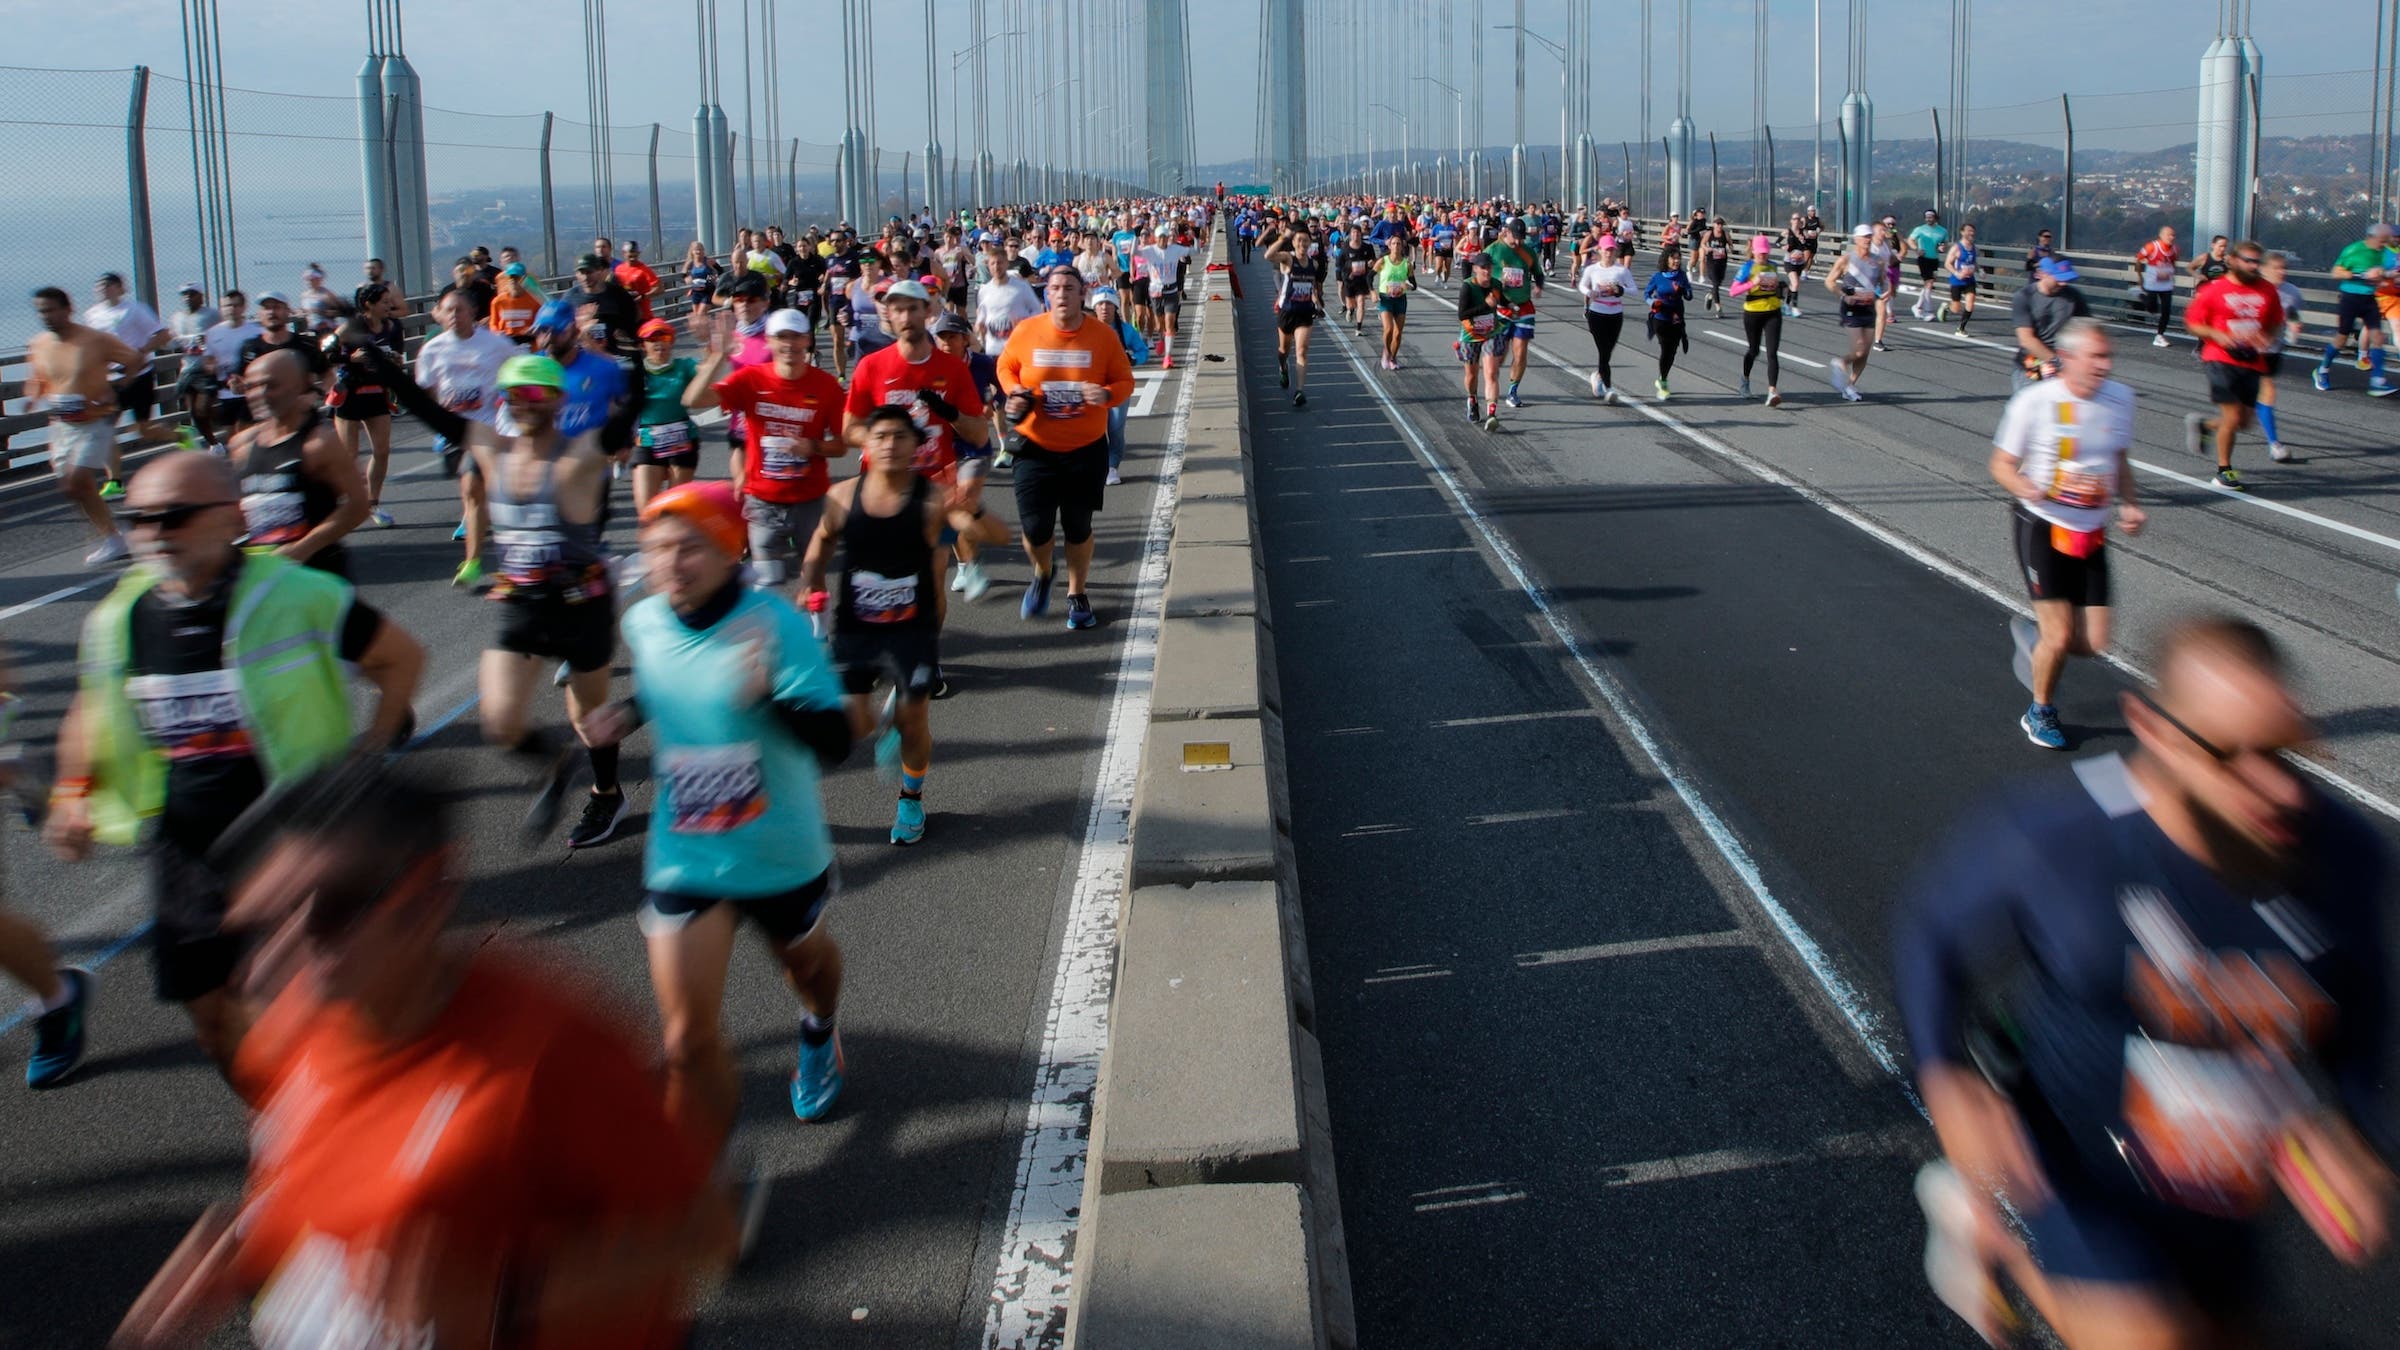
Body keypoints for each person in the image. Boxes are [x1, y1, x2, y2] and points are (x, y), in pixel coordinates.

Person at [109, 761, 740, 1349]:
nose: (282, 957)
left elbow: (705, 1232)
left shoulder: (551, 1052)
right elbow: (303, 1167)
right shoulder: (289, 1032)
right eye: (268, 920)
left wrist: (502, 1301)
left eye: (335, 909)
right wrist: (249, 1246)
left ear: (429, 895)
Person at [1895, 614, 2393, 1350]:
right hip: (2071, 1153)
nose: (2276, 789)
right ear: (2155, 733)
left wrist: (2362, 1138)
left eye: (2287, 753)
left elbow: (2364, 1005)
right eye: (2230, 756)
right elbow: (1932, 933)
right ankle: (1992, 1239)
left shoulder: (2347, 858)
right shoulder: (2059, 839)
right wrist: (1946, 1078)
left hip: (2221, 1183)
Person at [44, 450, 422, 1074]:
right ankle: (281, 1137)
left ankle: (341, 1137)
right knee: (215, 1020)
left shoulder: (302, 595)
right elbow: (93, 706)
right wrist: (72, 791)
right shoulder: (120, 617)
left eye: (174, 517)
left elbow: (401, 661)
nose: (153, 534)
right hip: (183, 848)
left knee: (318, 1015)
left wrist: (371, 751)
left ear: (230, 517)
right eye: (138, 519)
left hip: (294, 837)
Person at [570, 481, 859, 1139]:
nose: (671, 562)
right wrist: (627, 712)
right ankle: (705, 1186)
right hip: (687, 853)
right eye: (657, 547)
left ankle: (820, 1031)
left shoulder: (775, 625)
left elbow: (837, 741)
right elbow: (663, 680)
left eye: (690, 547)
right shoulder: (642, 620)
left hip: (779, 851)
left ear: (731, 550)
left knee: (808, 971)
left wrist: (769, 697)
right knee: (685, 1041)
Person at [376, 352, 633, 849]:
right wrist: (382, 366)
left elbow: (620, 424)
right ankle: (557, 763)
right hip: (522, 603)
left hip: (584, 604)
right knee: (500, 721)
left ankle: (607, 793)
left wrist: (635, 375)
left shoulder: (579, 451)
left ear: (557, 400)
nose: (523, 402)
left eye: (535, 393)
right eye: (514, 394)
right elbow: (426, 410)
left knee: (590, 718)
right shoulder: (490, 445)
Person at [805, 407, 1010, 845]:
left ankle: (910, 798)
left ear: (916, 445)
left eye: (900, 436)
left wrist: (973, 510)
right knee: (854, 726)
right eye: (880, 436)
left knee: (913, 721)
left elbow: (999, 537)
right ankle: (882, 718)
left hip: (911, 630)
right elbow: (821, 539)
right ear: (866, 443)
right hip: (856, 628)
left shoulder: (934, 499)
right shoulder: (842, 496)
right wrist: (812, 580)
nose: (890, 444)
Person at [1989, 319, 2145, 751]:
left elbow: (2120, 459)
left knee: (2092, 644)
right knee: (2059, 636)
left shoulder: (2120, 399)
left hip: (2091, 531)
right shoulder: (2035, 402)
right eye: (2095, 357)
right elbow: (2000, 465)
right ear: (2069, 358)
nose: (2104, 365)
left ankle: (2038, 643)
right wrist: (2027, 487)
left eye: (2107, 356)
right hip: (2040, 523)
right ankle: (2040, 711)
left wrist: (2130, 503)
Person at [996, 265, 1136, 629]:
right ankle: (1043, 573)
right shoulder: (1028, 331)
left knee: (1078, 526)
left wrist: (1106, 394)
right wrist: (1015, 391)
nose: (1061, 294)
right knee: (1035, 528)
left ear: (1082, 294)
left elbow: (1124, 380)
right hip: (1034, 446)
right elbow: (1005, 366)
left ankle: (1077, 592)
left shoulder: (1102, 337)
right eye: (1055, 287)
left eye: (1069, 288)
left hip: (1084, 448)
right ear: (1047, 294)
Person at [686, 307, 847, 591]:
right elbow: (693, 400)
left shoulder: (826, 386)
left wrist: (812, 446)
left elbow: (841, 446)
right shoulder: (750, 380)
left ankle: (817, 629)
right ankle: (771, 632)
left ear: (808, 341)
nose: (790, 344)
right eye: (781, 337)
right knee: (767, 580)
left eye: (797, 337)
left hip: (809, 499)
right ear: (769, 341)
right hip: (762, 500)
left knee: (813, 572)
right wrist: (718, 355)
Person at [26, 287, 142, 564]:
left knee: (77, 480)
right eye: (41, 311)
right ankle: (115, 537)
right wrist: (33, 397)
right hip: (62, 425)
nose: (46, 316)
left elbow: (135, 360)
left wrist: (116, 386)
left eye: (51, 309)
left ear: (68, 309)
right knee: (72, 488)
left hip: (95, 421)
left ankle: (122, 533)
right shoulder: (39, 343)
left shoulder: (95, 339)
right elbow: (40, 378)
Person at [415, 288, 521, 586]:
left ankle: (473, 562)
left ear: (472, 312)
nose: (453, 316)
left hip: (486, 430)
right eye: (448, 310)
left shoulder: (496, 345)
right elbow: (427, 388)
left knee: (473, 488)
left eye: (459, 310)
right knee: (472, 495)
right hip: (452, 434)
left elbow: (518, 371)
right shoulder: (433, 349)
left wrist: (509, 404)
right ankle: (489, 546)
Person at [232, 350, 370, 576]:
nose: (260, 394)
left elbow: (358, 506)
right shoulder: (241, 446)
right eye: (251, 387)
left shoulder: (319, 443)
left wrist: (302, 548)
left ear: (300, 386)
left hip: (317, 575)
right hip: (263, 575)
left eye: (270, 385)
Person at [2182, 241, 2283, 493]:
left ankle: (2206, 425)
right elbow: (2193, 323)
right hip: (2219, 358)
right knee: (2232, 416)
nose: (2253, 266)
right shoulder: (2215, 290)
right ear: (2234, 261)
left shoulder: (2267, 290)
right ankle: (2223, 471)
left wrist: (2266, 336)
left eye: (2257, 262)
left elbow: (2274, 322)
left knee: (2244, 422)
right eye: (2248, 260)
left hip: (2252, 360)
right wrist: (2217, 335)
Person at [325, 284, 405, 527]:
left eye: (389, 301)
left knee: (382, 451)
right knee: (349, 455)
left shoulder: (393, 327)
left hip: (377, 393)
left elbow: (398, 355)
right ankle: (342, 503)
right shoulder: (352, 327)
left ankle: (373, 503)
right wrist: (350, 358)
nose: (389, 306)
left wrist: (394, 360)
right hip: (350, 393)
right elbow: (326, 352)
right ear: (369, 304)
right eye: (384, 302)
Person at [85, 272, 173, 491]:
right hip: (110, 379)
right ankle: (114, 481)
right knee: (104, 429)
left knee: (143, 430)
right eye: (99, 286)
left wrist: (141, 351)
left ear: (119, 288)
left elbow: (163, 335)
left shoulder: (134, 310)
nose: (102, 289)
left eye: (108, 285)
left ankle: (180, 434)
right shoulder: (92, 315)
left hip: (139, 375)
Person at [2316, 223, 2398, 396]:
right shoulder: (2353, 250)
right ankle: (2322, 370)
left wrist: (2384, 276)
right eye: (2382, 241)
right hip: (2350, 298)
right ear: (2371, 237)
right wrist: (2361, 275)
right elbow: (2336, 272)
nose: (2384, 245)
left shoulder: (2382, 252)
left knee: (2377, 337)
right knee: (2341, 338)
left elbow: (2382, 273)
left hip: (2369, 299)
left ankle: (2377, 381)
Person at [632, 318, 701, 515]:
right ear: (643, 345)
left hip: (682, 441)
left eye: (664, 337)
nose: (659, 343)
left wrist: (709, 345)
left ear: (672, 341)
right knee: (646, 512)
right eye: (652, 339)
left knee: (675, 510)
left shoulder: (684, 366)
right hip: (647, 441)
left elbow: (708, 372)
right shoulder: (636, 372)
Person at [1089, 289, 1150, 485]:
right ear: (1094, 308)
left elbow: (1142, 351)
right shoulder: (1084, 330)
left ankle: (1112, 467)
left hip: (1118, 387)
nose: (1104, 308)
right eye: (1100, 304)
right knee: (1093, 431)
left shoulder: (1125, 330)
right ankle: (1095, 466)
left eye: (1109, 304)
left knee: (1115, 429)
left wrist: (1133, 359)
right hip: (1092, 387)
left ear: (1116, 307)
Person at [1264, 221, 1327, 409]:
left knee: (1302, 351)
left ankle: (1299, 391)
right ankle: (1283, 368)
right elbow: (1268, 255)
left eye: (1306, 241)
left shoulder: (1313, 263)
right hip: (1287, 311)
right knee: (1283, 351)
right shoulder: (1288, 259)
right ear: (1294, 242)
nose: (1303, 244)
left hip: (1305, 312)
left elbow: (1312, 286)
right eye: (1299, 240)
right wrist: (1284, 237)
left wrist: (1316, 301)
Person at [1484, 218, 1545, 409]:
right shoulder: (1493, 250)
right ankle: (1492, 379)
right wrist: (1495, 281)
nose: (1518, 242)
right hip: (1501, 308)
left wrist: (1538, 287)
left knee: (1520, 352)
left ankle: (1512, 391)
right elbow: (1477, 273)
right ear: (1506, 232)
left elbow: (1538, 273)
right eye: (1515, 238)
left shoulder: (1527, 251)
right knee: (1499, 355)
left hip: (1523, 307)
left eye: (1521, 238)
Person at [2013, 258, 2093, 388]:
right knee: (2032, 406)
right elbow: (2026, 339)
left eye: (2066, 279)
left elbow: (2087, 329)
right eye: (2059, 278)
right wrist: (2057, 362)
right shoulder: (2024, 297)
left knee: (2065, 407)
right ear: (2043, 274)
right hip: (2032, 365)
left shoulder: (2073, 296)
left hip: (2064, 365)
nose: (2063, 283)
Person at [1823, 226, 1883, 401]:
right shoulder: (1846, 260)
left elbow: (1881, 282)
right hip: (1851, 309)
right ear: (1856, 239)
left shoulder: (1878, 261)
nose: (1868, 240)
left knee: (1865, 352)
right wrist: (1843, 295)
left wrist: (1884, 292)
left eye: (1870, 237)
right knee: (1858, 350)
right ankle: (1840, 362)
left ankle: (1849, 385)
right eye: (1864, 237)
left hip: (1868, 308)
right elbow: (1829, 281)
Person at [1728, 233, 1788, 407]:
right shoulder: (1747, 268)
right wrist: (1752, 283)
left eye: (1766, 252)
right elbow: (1733, 291)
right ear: (1753, 251)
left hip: (1773, 312)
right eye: (1760, 252)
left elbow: (1777, 290)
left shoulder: (1773, 267)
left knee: (1772, 353)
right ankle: (1745, 380)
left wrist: (1780, 288)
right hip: (1753, 313)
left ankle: (1772, 391)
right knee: (1754, 350)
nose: (1763, 255)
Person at [197, 289, 259, 442]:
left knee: (244, 430)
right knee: (231, 434)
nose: (231, 309)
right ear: (221, 308)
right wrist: (210, 366)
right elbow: (208, 359)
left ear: (244, 307)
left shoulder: (256, 332)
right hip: (225, 391)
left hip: (249, 391)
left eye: (236, 305)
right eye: (227, 306)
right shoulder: (213, 333)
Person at [166, 283, 220, 446]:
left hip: (207, 369)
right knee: (190, 412)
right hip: (187, 369)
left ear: (201, 296)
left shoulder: (212, 315)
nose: (188, 298)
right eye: (185, 295)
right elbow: (170, 343)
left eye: (192, 294)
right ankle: (211, 444)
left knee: (202, 410)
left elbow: (223, 333)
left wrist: (208, 341)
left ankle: (218, 435)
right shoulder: (176, 318)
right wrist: (178, 341)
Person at [2261, 251, 2302, 464]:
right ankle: (2274, 444)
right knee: (2263, 395)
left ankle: (2274, 445)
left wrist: (2294, 324)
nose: (2282, 272)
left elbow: (2293, 312)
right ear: (2264, 269)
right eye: (2277, 268)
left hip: (2273, 350)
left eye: (2284, 267)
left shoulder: (2291, 291)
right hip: (2246, 352)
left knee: (2250, 407)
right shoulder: (2253, 289)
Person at [1458, 252, 1506, 431]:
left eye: (1489, 268)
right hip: (1471, 335)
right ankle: (1472, 398)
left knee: (1491, 373)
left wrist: (1514, 306)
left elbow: (1504, 301)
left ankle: (1492, 413)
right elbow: (1462, 314)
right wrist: (1486, 306)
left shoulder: (1496, 284)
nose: (1487, 271)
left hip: (1491, 333)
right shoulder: (1468, 287)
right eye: (1483, 268)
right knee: (1471, 376)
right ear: (1475, 269)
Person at [565, 253, 644, 359]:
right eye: (581, 272)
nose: (585, 277)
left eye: (589, 272)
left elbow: (633, 322)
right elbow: (564, 330)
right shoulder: (570, 297)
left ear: (599, 271)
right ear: (576, 274)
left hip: (616, 356)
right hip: (583, 358)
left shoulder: (618, 294)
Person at [1138, 226, 1195, 367]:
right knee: (1159, 325)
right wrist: (1135, 237)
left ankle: (1168, 357)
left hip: (1171, 291)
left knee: (1170, 322)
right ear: (1156, 238)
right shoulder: (1151, 250)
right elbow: (1134, 252)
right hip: (1156, 291)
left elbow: (1195, 251)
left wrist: (1196, 238)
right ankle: (1162, 339)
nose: (1163, 239)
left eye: (1165, 236)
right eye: (1160, 237)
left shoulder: (1174, 249)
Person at [1644, 244, 1693, 402]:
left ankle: (1661, 377)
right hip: (1660, 318)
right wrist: (1653, 302)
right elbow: (1646, 293)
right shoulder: (1658, 276)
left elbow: (1690, 295)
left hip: (1677, 318)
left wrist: (1683, 291)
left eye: (1679, 258)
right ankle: (1663, 383)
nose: (1677, 261)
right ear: (1666, 259)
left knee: (1672, 352)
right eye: (1674, 258)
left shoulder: (1682, 276)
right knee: (1665, 349)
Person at [1374, 233, 1418, 372]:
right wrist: (1372, 292)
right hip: (1385, 298)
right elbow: (1370, 277)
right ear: (1389, 245)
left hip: (1400, 299)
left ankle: (1393, 357)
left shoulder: (1407, 264)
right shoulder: (1383, 261)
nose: (1396, 246)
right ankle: (1386, 352)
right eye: (1394, 243)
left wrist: (1407, 286)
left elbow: (1414, 284)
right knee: (1388, 329)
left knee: (1398, 333)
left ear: (1402, 246)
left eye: (1399, 243)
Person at [2134, 225, 2180, 349]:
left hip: (2166, 284)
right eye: (2169, 235)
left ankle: (2159, 335)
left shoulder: (2175, 249)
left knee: (2166, 311)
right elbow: (2138, 259)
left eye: (2173, 235)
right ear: (2161, 235)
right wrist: (2139, 277)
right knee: (2152, 309)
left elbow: (2174, 262)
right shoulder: (2152, 247)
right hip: (2152, 283)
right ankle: (2142, 296)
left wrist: (2172, 274)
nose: (2171, 237)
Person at [1908, 210, 1951, 322]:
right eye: (1926, 217)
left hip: (1934, 259)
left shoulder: (1942, 231)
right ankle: (1928, 311)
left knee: (1929, 284)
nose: (1928, 219)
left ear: (1935, 218)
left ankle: (1917, 307)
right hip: (1923, 259)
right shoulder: (1920, 229)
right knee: (1929, 283)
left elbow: (1945, 243)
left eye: (1931, 217)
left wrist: (1943, 247)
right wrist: (1916, 249)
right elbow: (1910, 240)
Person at [489, 261, 543, 343]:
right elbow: (493, 324)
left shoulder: (535, 300)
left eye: (517, 278)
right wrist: (496, 333)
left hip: (528, 343)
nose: (513, 281)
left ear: (524, 279)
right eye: (511, 277)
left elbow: (540, 322)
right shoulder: (498, 302)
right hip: (506, 342)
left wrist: (534, 329)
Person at [1943, 224, 1982, 333]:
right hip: (1957, 281)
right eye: (1969, 231)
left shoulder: (1974, 248)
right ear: (1962, 232)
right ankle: (1947, 307)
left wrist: (1981, 271)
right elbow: (1947, 264)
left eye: (1973, 231)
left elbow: (1974, 262)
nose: (1971, 233)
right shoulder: (1956, 248)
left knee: (1971, 302)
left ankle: (1961, 328)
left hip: (1969, 280)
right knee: (1956, 309)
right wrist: (1957, 273)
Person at [615, 240, 662, 325]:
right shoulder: (618, 269)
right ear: (624, 253)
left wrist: (643, 296)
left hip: (643, 315)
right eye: (630, 255)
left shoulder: (644, 270)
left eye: (635, 255)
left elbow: (659, 289)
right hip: (624, 314)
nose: (633, 258)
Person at [1699, 217, 1733, 314]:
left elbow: (1731, 245)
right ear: (1714, 224)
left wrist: (1730, 248)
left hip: (1722, 261)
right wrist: (1707, 248)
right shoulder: (1709, 234)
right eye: (1717, 224)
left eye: (1721, 224)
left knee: (1718, 283)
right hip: (1711, 261)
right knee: (1715, 282)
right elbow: (1702, 243)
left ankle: (1710, 294)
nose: (1719, 226)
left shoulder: (1725, 234)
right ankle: (1719, 308)